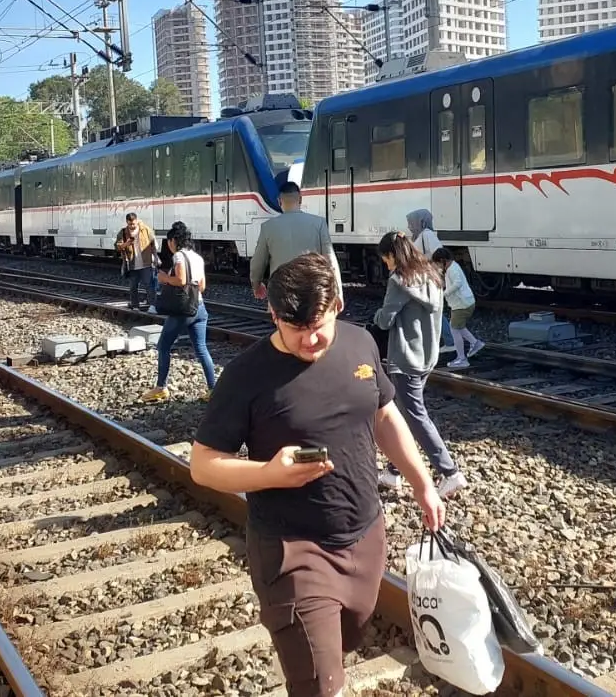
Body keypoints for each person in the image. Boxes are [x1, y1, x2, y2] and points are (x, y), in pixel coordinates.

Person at [189, 252, 445, 697]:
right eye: (295, 329)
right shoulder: (247, 376)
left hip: (365, 535)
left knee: (345, 644)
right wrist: (267, 473)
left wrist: (424, 484)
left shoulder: (360, 343)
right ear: (273, 314)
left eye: (318, 327)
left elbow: (385, 416)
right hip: (292, 550)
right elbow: (203, 463)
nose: (309, 340)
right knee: (320, 685)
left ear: (338, 306)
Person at [373, 231, 466, 497]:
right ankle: (393, 472)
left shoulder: (399, 280)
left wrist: (377, 314)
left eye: (385, 259)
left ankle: (450, 472)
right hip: (426, 356)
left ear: (392, 255)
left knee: (415, 416)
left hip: (404, 358)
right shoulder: (432, 275)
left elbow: (385, 320)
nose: (386, 264)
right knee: (403, 413)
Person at [145, 221, 217, 401]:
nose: (168, 245)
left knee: (163, 346)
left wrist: (164, 278)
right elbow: (201, 286)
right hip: (199, 307)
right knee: (201, 348)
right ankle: (213, 389)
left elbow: (181, 280)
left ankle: (161, 387)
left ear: (173, 241)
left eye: (169, 241)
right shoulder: (198, 258)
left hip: (182, 311)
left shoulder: (178, 256)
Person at [250, 181, 337, 301]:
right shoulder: (319, 223)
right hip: (311, 291)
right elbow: (330, 260)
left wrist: (256, 285)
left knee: (281, 319)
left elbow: (257, 263)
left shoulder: (268, 227)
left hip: (280, 292)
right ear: (300, 199)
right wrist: (337, 293)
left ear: (279, 201)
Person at [405, 208, 454, 352]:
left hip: (428, 278)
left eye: (411, 222)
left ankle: (449, 341)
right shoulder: (419, 235)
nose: (409, 225)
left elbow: (438, 254)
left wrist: (424, 262)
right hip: (421, 278)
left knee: (432, 310)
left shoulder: (427, 235)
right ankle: (440, 340)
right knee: (428, 309)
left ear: (420, 221)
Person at [431, 248, 485, 370]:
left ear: (442, 260)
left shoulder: (452, 269)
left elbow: (457, 283)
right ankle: (475, 343)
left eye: (438, 264)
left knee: (454, 328)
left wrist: (444, 294)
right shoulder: (452, 267)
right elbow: (452, 283)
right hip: (464, 303)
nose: (438, 266)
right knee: (458, 327)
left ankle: (462, 358)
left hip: (462, 304)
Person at [115, 212, 158, 311]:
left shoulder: (145, 229)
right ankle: (135, 306)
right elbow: (117, 247)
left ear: (137, 221)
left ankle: (152, 305)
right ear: (127, 222)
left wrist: (155, 257)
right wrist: (126, 244)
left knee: (149, 285)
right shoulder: (123, 232)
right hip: (132, 264)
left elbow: (153, 244)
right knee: (133, 286)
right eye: (130, 224)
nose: (132, 226)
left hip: (146, 262)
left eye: (134, 223)